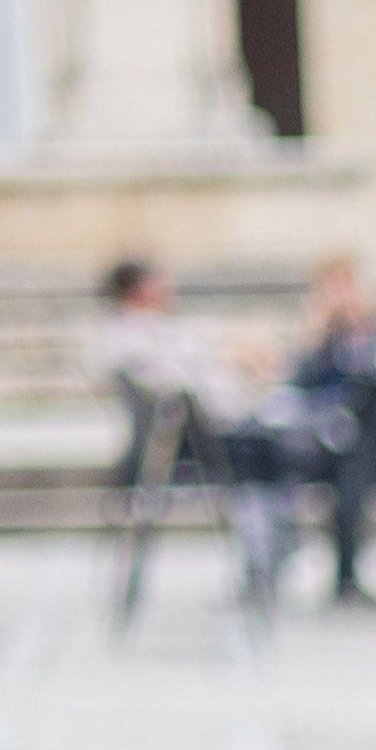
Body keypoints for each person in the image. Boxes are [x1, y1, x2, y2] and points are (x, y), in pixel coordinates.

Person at [88, 259, 296, 615]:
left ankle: (273, 547)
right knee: (277, 450)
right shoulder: (136, 339)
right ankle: (271, 549)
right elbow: (189, 390)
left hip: (192, 439)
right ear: (139, 289)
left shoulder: (137, 337)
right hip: (198, 445)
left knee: (277, 447)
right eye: (159, 280)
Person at [263, 255, 376, 607]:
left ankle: (346, 577)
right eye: (333, 286)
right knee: (340, 471)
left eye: (348, 284)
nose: (343, 295)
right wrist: (318, 335)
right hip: (326, 442)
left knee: (354, 469)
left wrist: (367, 333)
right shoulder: (321, 341)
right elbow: (296, 385)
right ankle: (340, 577)